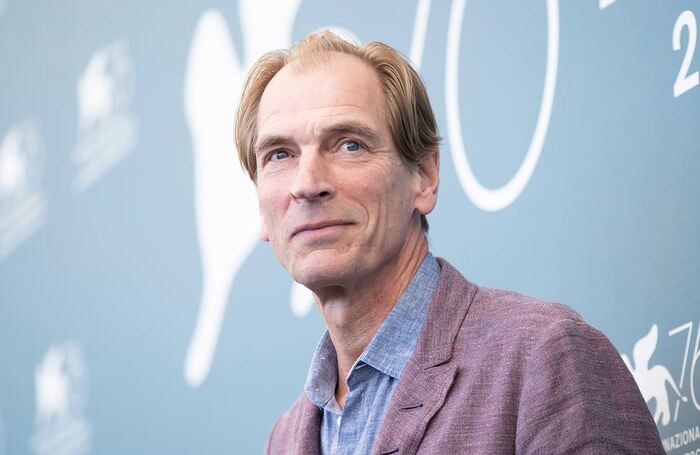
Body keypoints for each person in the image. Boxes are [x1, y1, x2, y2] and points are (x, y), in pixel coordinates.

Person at [234, 31, 663, 454]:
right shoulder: (285, 439)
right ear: (260, 207)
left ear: (424, 176)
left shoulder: (543, 359)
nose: (307, 184)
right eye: (279, 155)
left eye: (350, 145)